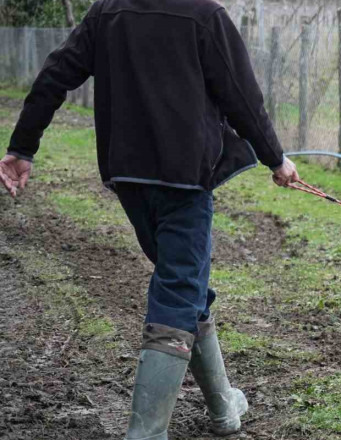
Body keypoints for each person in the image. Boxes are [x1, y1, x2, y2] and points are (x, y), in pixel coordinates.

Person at [0, 0, 300, 438]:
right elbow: (242, 97)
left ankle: (223, 407)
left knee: (185, 283)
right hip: (184, 181)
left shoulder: (108, 11)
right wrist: (276, 159)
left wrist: (22, 147)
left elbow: (55, 75)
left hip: (128, 177)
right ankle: (146, 434)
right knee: (179, 290)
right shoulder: (205, 15)